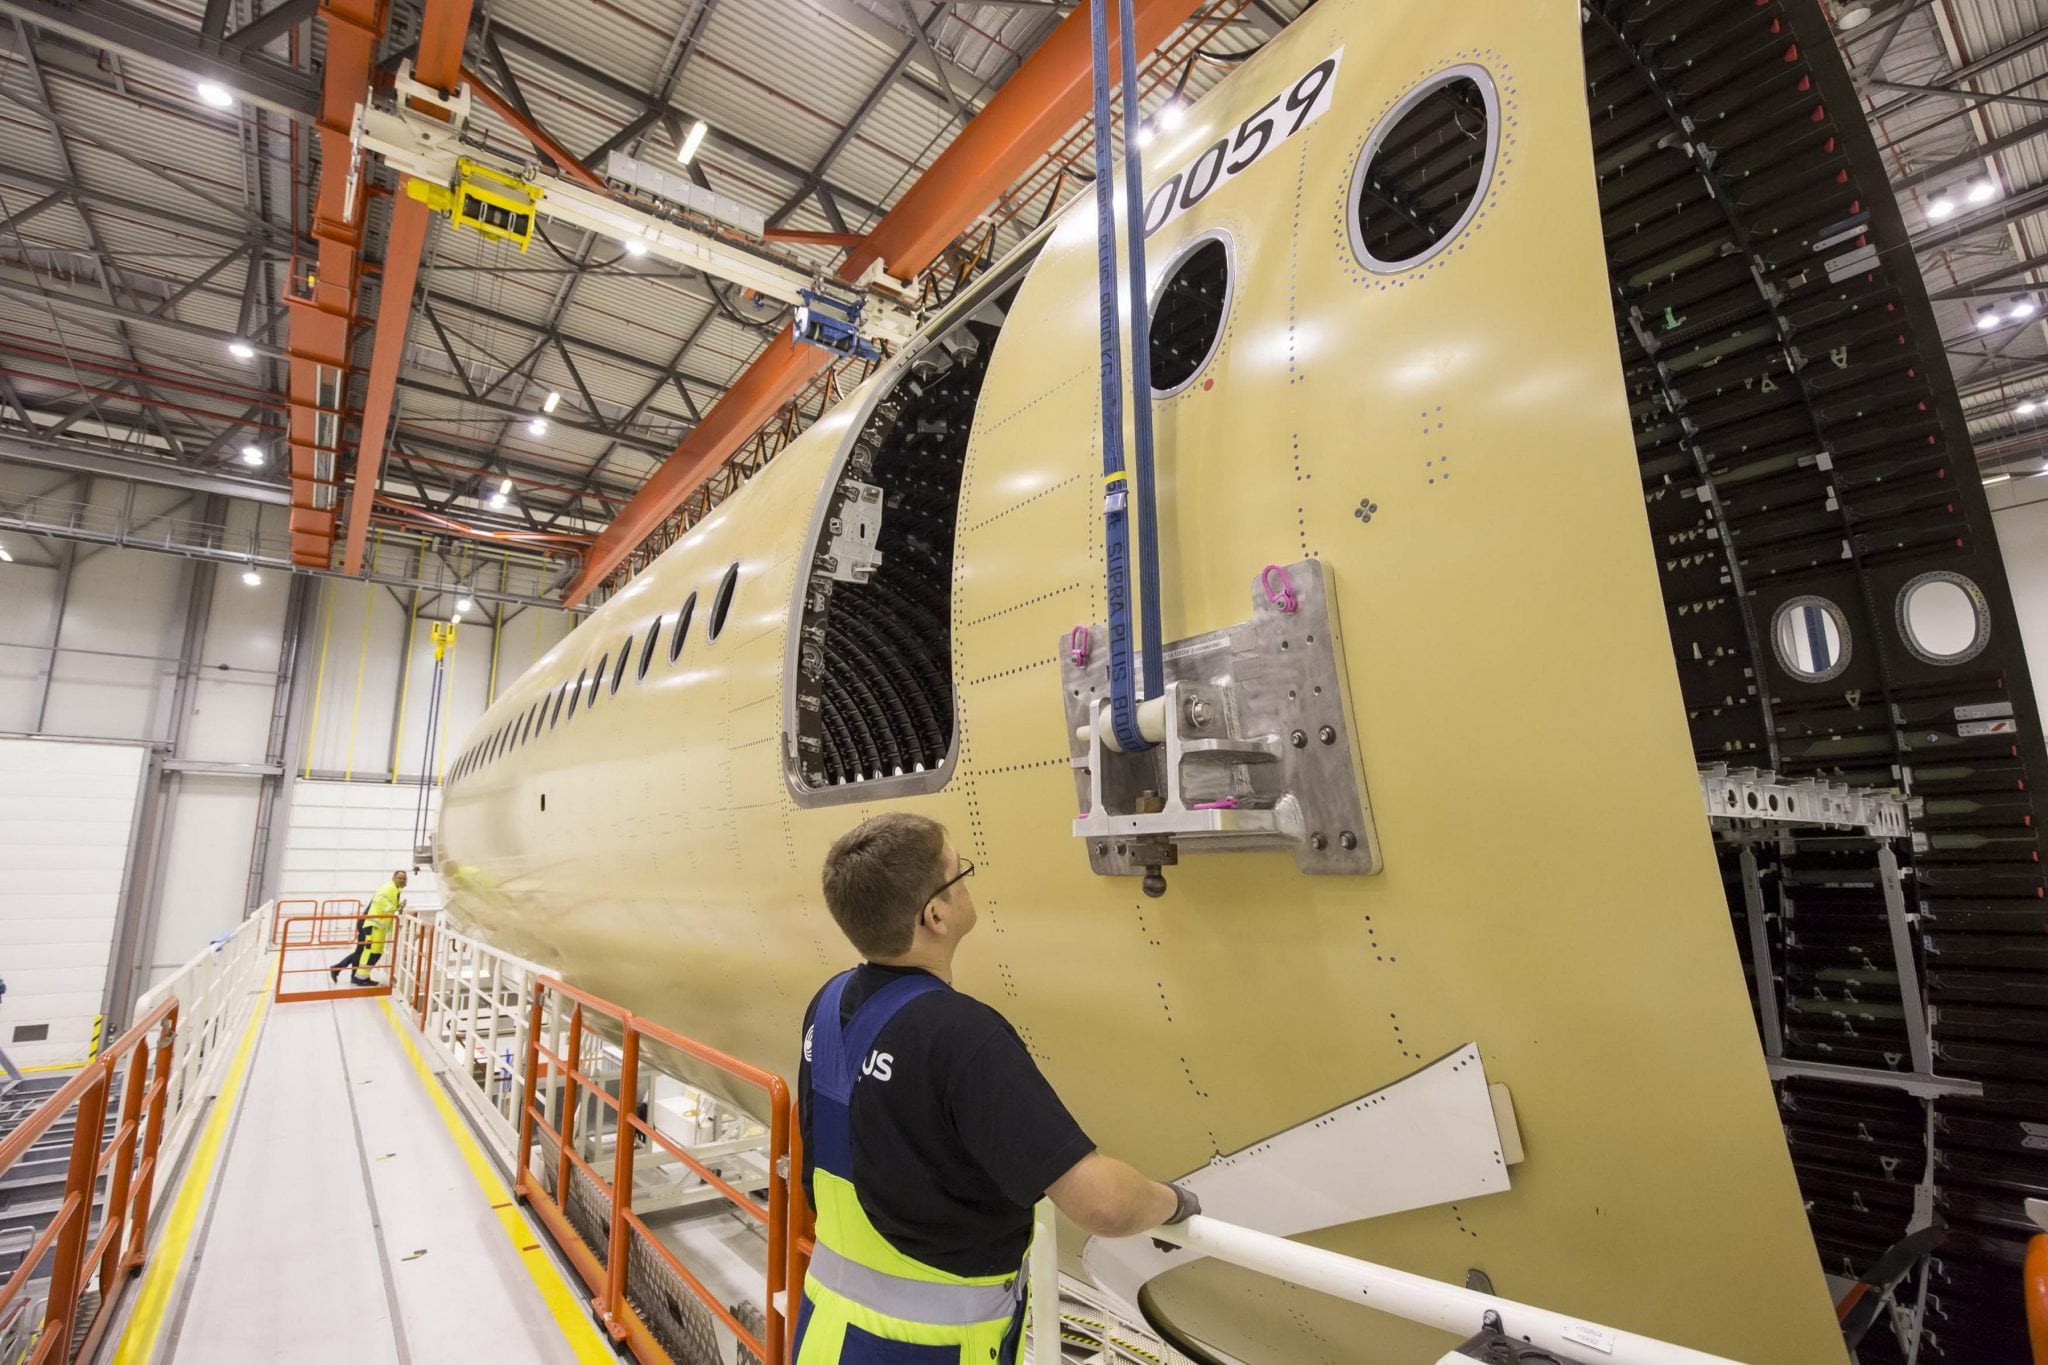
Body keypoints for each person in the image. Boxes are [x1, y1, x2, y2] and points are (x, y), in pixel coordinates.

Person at [795, 814, 1198, 1365]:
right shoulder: (961, 1036)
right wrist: (1172, 1202)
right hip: (929, 1351)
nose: (966, 879)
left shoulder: (828, 1004)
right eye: (958, 872)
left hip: (825, 1335)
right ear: (933, 914)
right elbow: (1102, 1204)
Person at [331, 869, 405, 985]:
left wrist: (397, 906)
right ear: (393, 878)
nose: (402, 880)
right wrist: (394, 908)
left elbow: (388, 905)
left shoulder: (395, 890)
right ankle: (352, 975)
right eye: (399, 878)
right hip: (368, 922)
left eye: (404, 879)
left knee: (362, 951)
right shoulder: (389, 888)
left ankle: (345, 972)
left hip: (368, 922)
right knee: (364, 951)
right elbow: (381, 902)